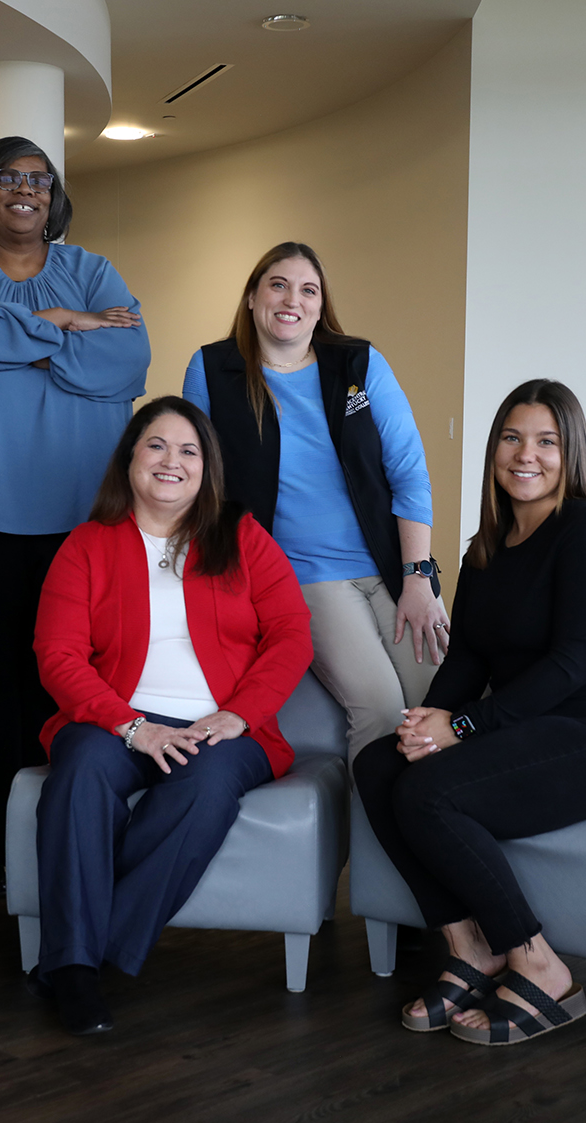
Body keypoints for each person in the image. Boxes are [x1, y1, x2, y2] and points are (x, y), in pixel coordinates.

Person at [352, 379, 586, 1047]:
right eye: (512, 437)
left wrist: (462, 727)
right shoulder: (487, 547)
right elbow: (470, 655)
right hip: (535, 728)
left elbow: (572, 666)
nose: (526, 454)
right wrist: (427, 719)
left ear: (571, 452)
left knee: (432, 793)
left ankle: (539, 962)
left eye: (546, 441)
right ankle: (469, 945)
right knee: (381, 763)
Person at [0, 135, 150, 897]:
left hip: (80, 512)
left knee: (66, 678)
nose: (25, 191)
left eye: (40, 181)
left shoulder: (93, 269)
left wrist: (10, 330)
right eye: (9, 177)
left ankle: (55, 831)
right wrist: (69, 326)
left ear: (55, 197)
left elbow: (129, 362)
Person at [29, 396, 313, 1034]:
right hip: (115, 720)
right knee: (78, 774)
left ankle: (81, 955)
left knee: (206, 786)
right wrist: (129, 724)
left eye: (189, 451)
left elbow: (292, 633)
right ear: (130, 456)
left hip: (222, 726)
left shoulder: (242, 538)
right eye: (156, 445)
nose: (171, 462)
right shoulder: (87, 546)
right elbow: (58, 655)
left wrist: (239, 715)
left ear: (206, 468)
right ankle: (74, 972)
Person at [183, 241, 444, 763]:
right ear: (253, 296)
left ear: (321, 307)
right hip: (304, 575)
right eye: (278, 284)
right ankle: (375, 843)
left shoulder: (358, 363)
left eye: (309, 290)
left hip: (392, 566)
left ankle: (437, 822)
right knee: (379, 706)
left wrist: (418, 575)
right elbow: (196, 479)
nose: (292, 300)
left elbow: (408, 470)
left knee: (441, 701)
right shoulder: (213, 369)